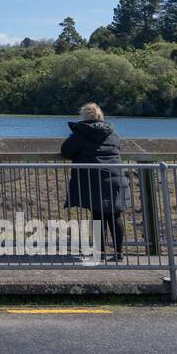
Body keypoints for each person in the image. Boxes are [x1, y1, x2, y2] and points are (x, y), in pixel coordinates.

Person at [61, 103, 131, 262]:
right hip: (116, 178)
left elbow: (66, 150)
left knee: (98, 215)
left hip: (94, 179)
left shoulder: (82, 133)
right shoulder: (112, 133)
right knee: (115, 215)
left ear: (84, 116)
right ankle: (119, 253)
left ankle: (100, 253)